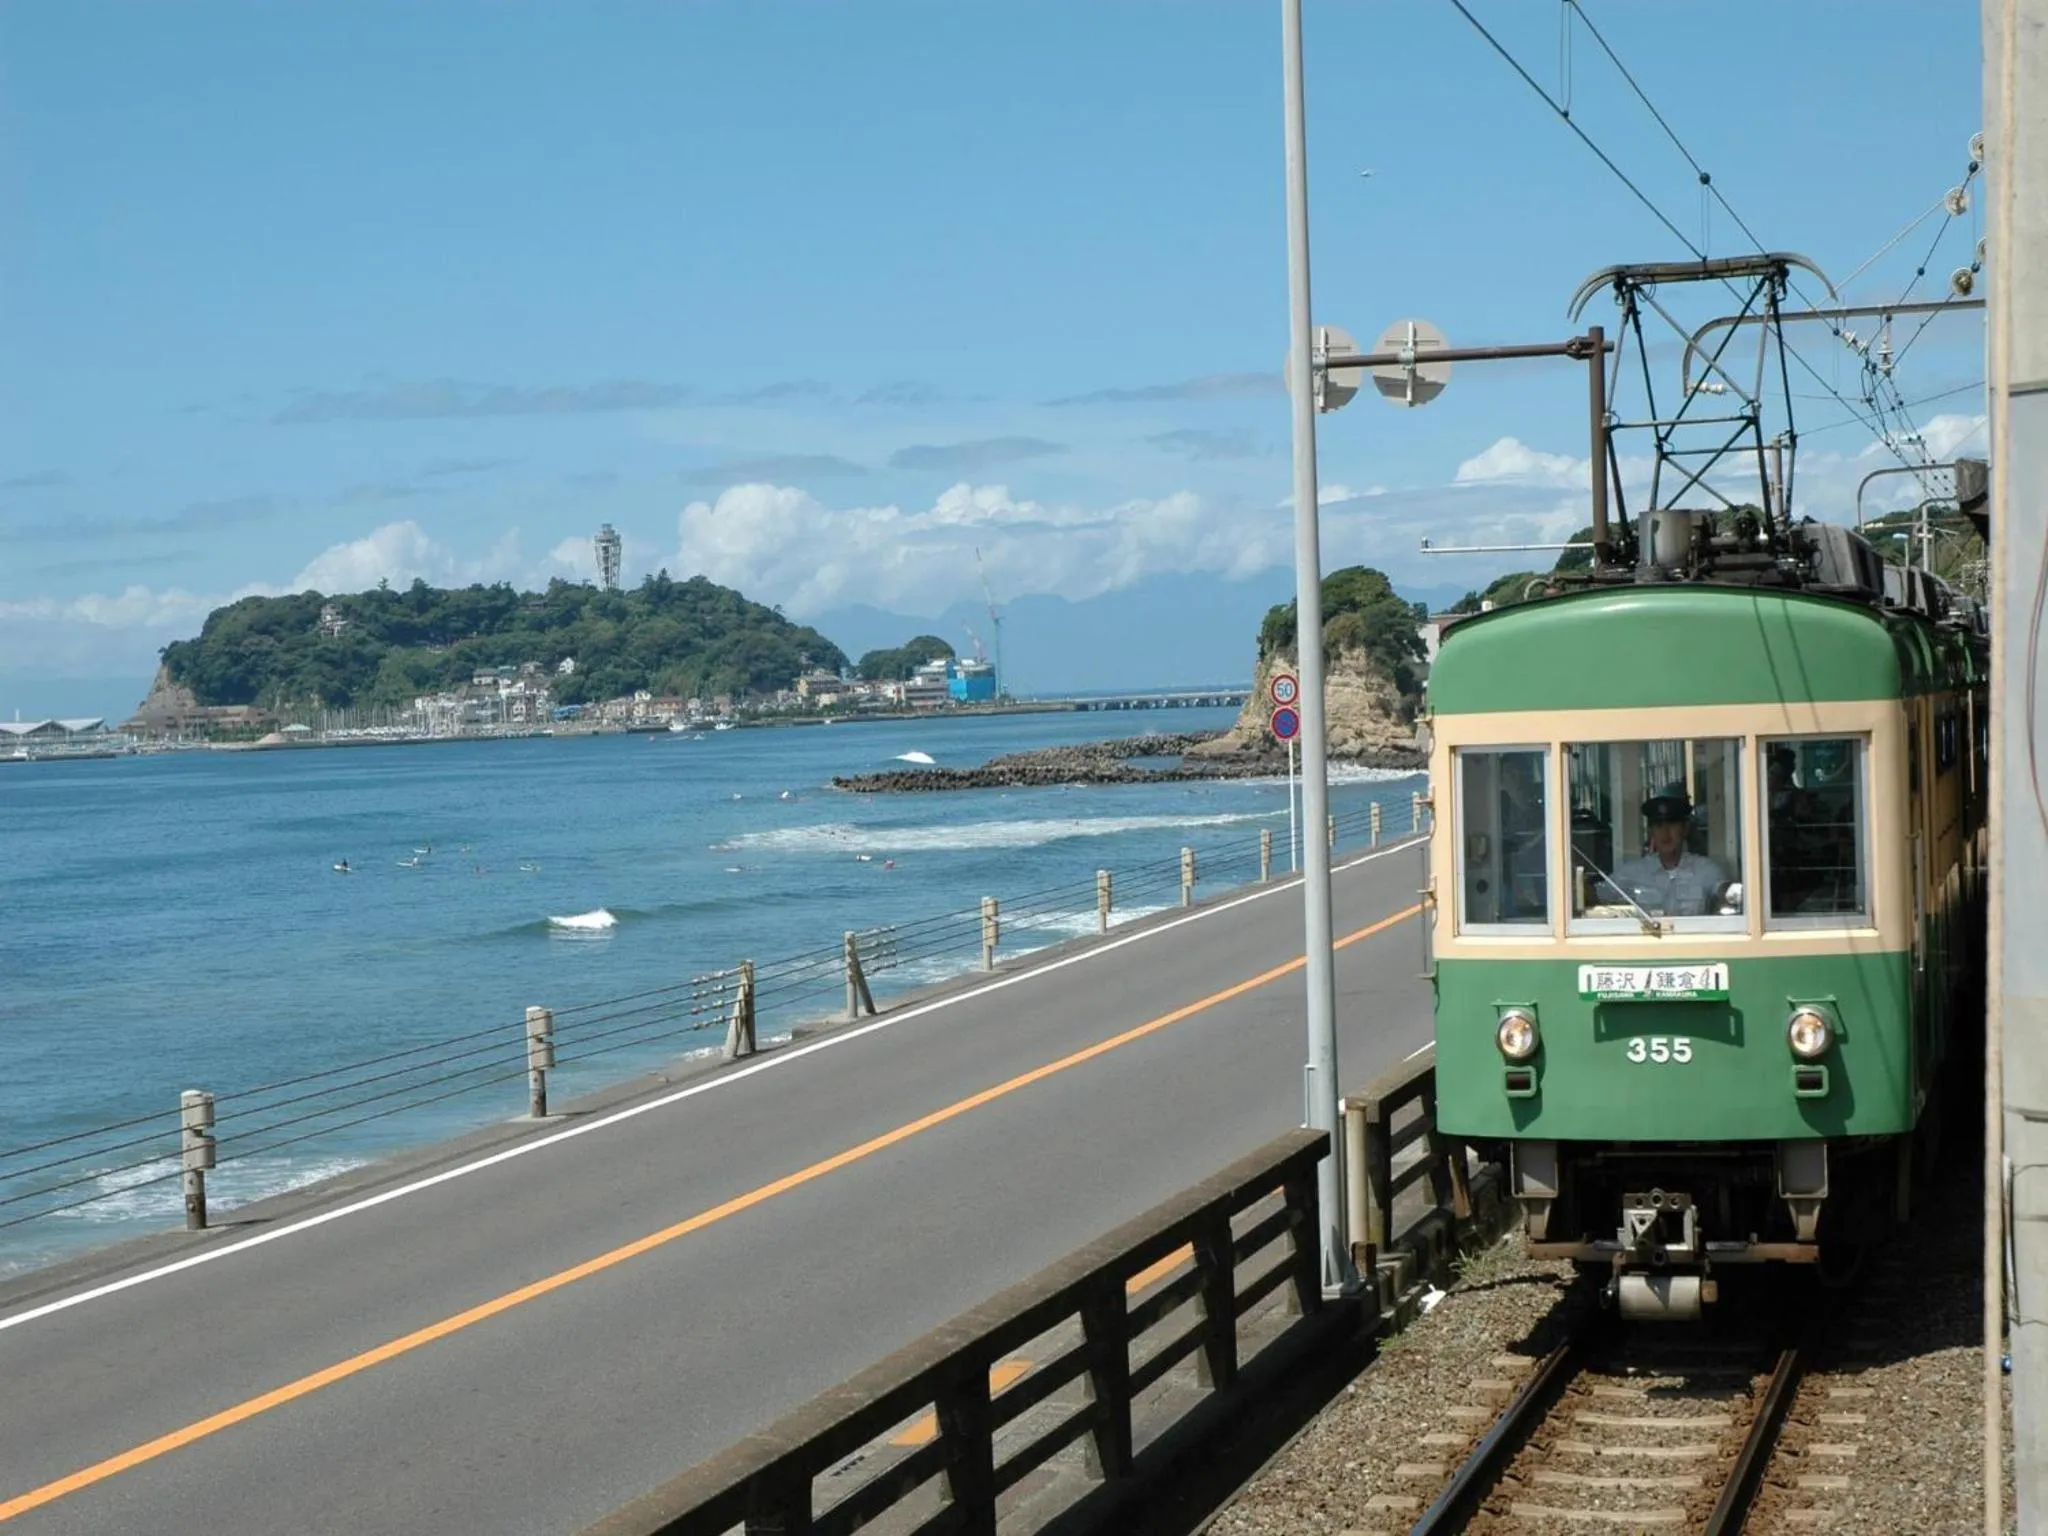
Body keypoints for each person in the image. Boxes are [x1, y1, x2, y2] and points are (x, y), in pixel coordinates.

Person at [1608, 792, 1728, 916]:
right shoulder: (1631, 873)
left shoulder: (1706, 871)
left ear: (1685, 828)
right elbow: (1597, 896)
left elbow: (1728, 895)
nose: (1665, 833)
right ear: (1651, 831)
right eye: (1659, 826)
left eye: (1672, 824)